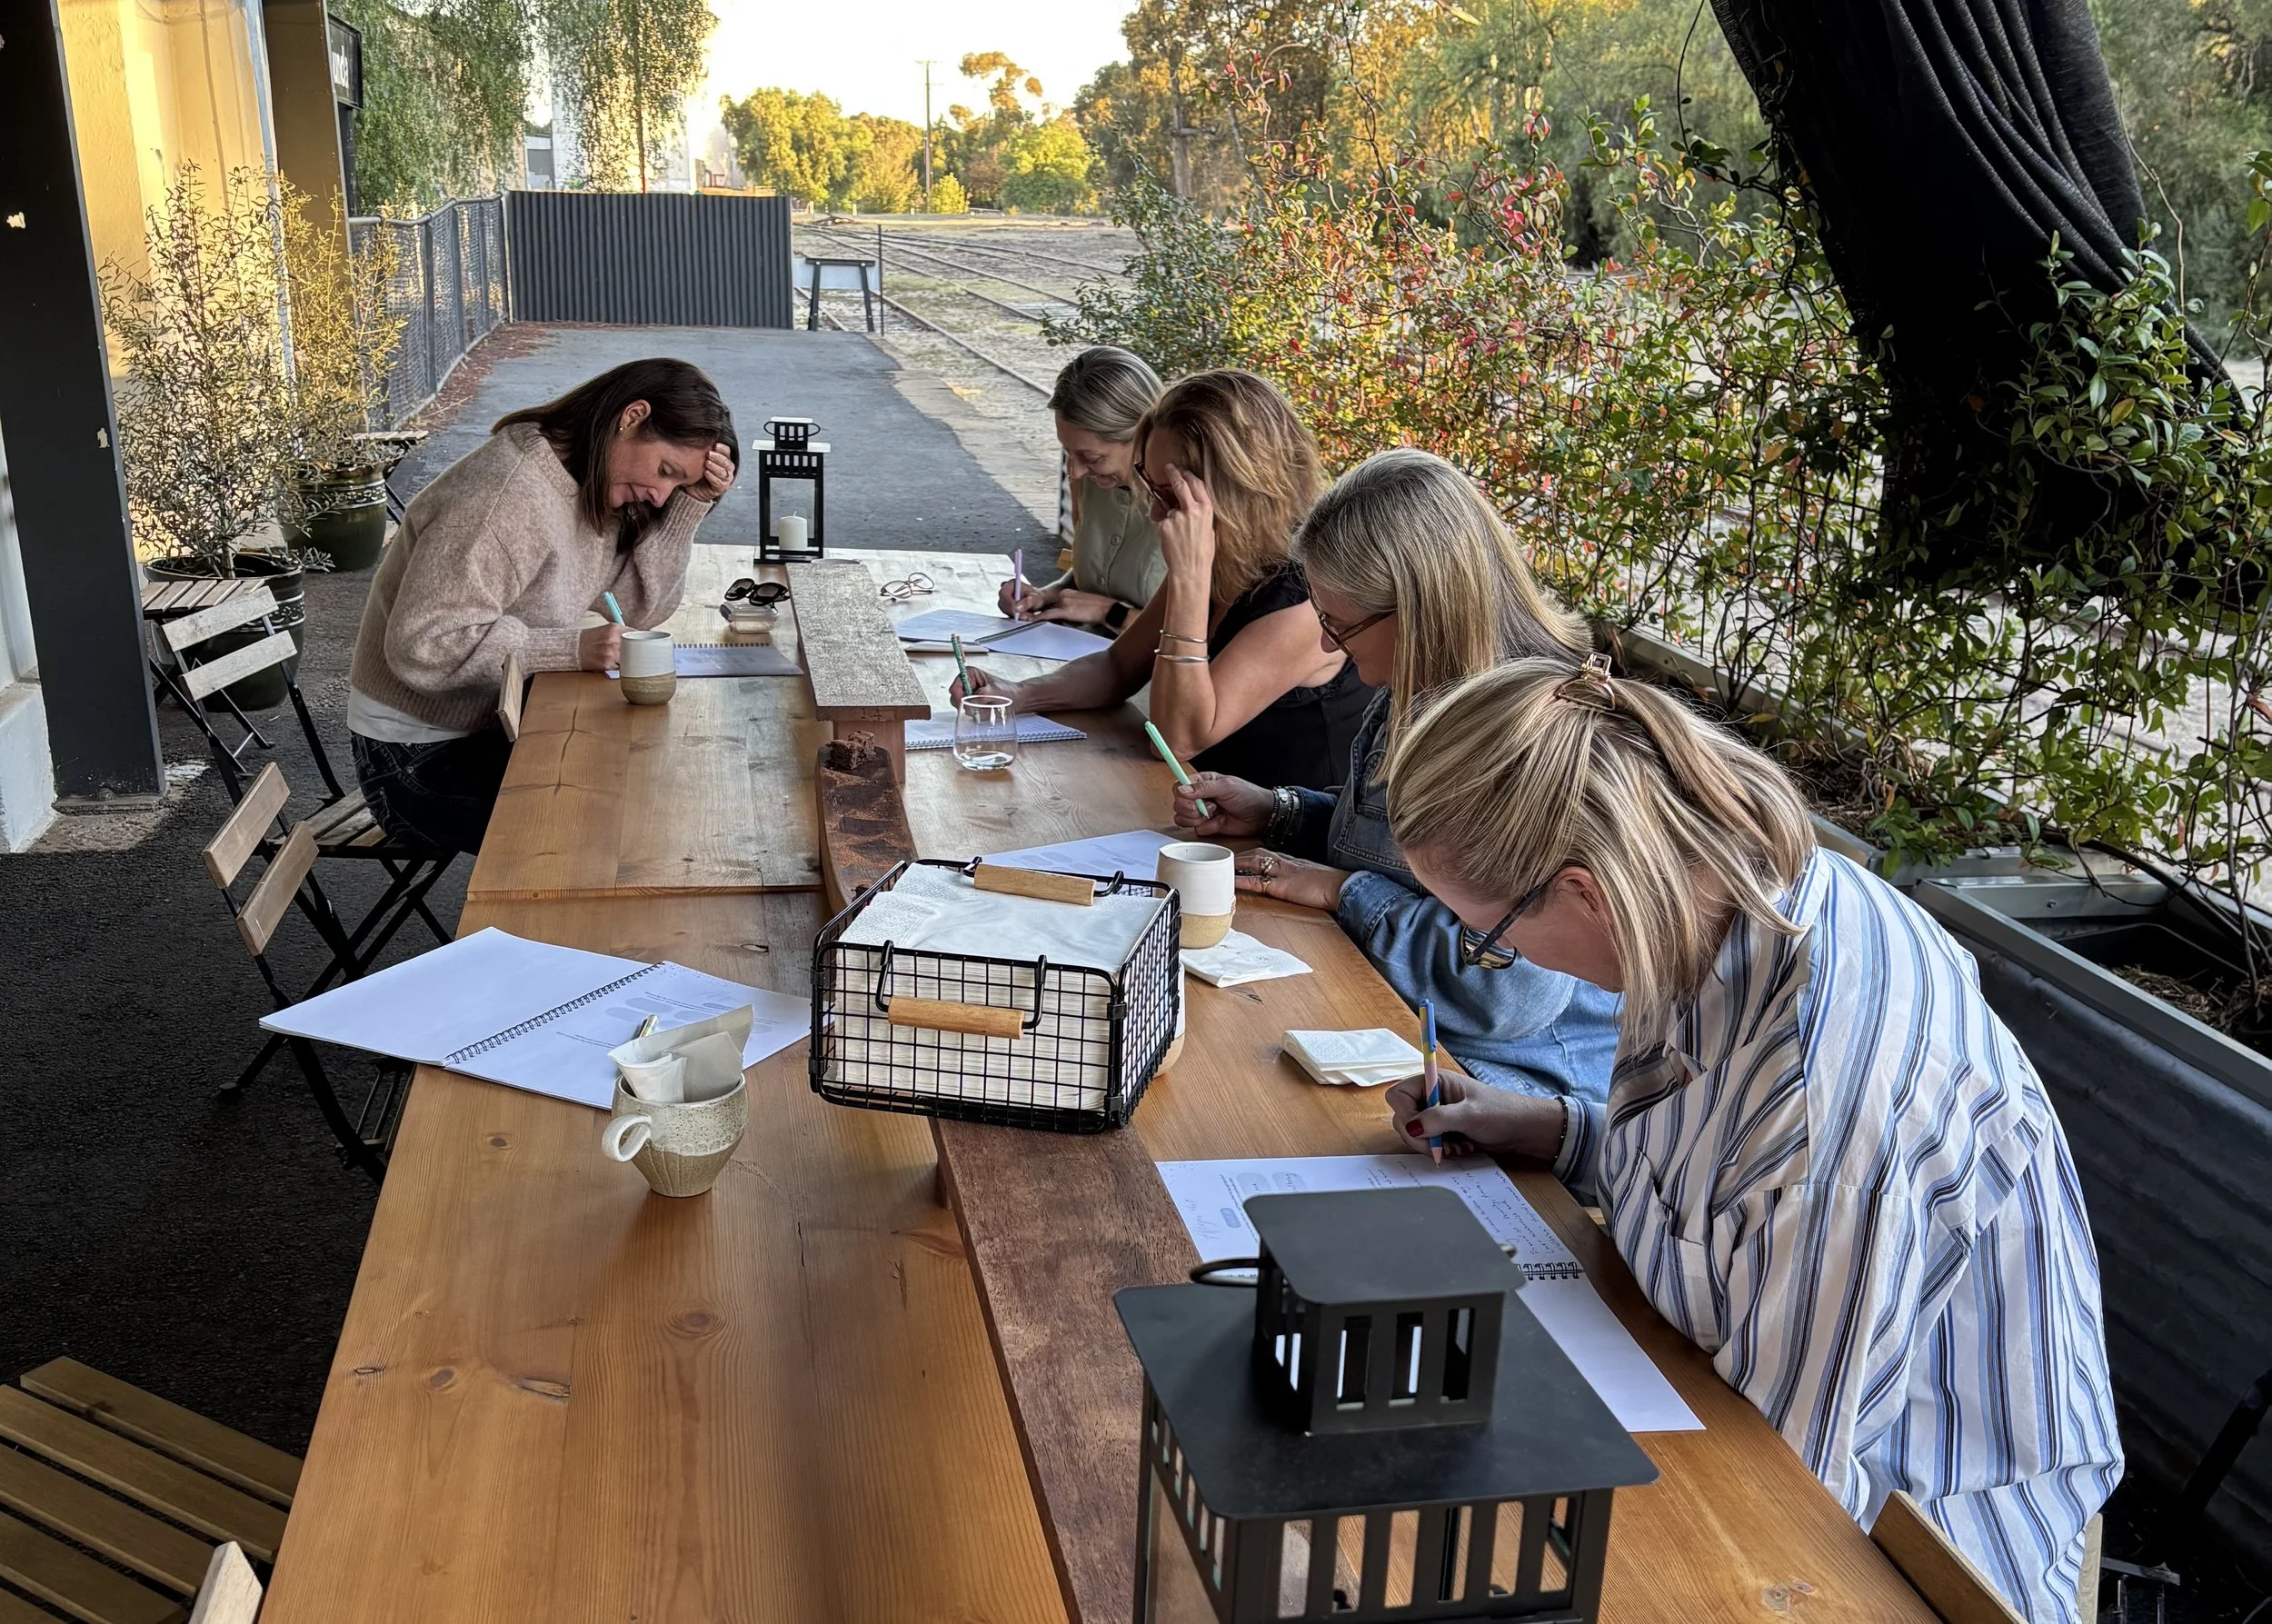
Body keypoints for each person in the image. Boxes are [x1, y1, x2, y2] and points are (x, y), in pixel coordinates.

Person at [1380, 656, 2121, 1624]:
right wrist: (1561, 1130)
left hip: (1910, 1544)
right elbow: (1725, 1193)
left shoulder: (1826, 1106)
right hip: (1713, 1400)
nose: (1501, 960)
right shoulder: (1709, 899)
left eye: (1490, 938)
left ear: (1584, 891)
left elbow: (1767, 1502)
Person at [1169, 449, 1619, 1101]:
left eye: (1340, 624)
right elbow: (1401, 853)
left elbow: (1505, 994)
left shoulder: (1533, 737)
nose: (1328, 646)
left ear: (1417, 608)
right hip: (1399, 1017)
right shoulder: (1420, 684)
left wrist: (1342, 891)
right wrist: (1281, 811)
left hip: (1503, 1080)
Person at [348, 358, 738, 853]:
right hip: (412, 759)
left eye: (676, 486)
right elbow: (424, 644)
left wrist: (689, 507)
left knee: (650, 780)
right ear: (632, 417)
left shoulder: (584, 478)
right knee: (617, 820)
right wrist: (569, 650)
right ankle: (546, 926)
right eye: (665, 472)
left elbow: (638, 609)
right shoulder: (503, 496)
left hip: (484, 727)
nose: (661, 496)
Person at [957, 369, 1374, 791]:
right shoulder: (1229, 557)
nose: (1157, 515)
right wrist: (1016, 694)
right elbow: (1119, 665)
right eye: (1153, 491)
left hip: (1285, 837)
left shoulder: (1304, 596)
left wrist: (1190, 579)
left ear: (1236, 489)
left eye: (1171, 496)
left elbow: (1178, 739)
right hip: (1206, 809)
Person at [996, 346, 1167, 633]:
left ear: (1143, 437)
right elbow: (1097, 577)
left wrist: (1110, 613)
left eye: (1092, 458)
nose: (1075, 472)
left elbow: (1204, 642)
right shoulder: (1093, 480)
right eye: (1067, 454)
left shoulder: (1192, 505)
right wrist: (1046, 596)